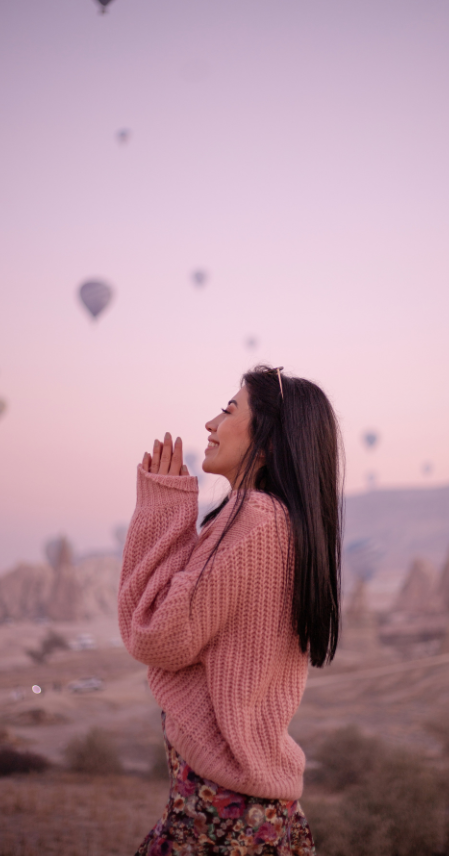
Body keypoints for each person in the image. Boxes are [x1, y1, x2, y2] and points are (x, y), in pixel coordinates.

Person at [119, 365, 343, 855]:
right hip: (258, 808)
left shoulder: (252, 519)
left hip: (218, 814)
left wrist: (164, 510)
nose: (210, 424)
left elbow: (156, 634)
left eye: (229, 409)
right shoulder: (287, 524)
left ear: (266, 438)